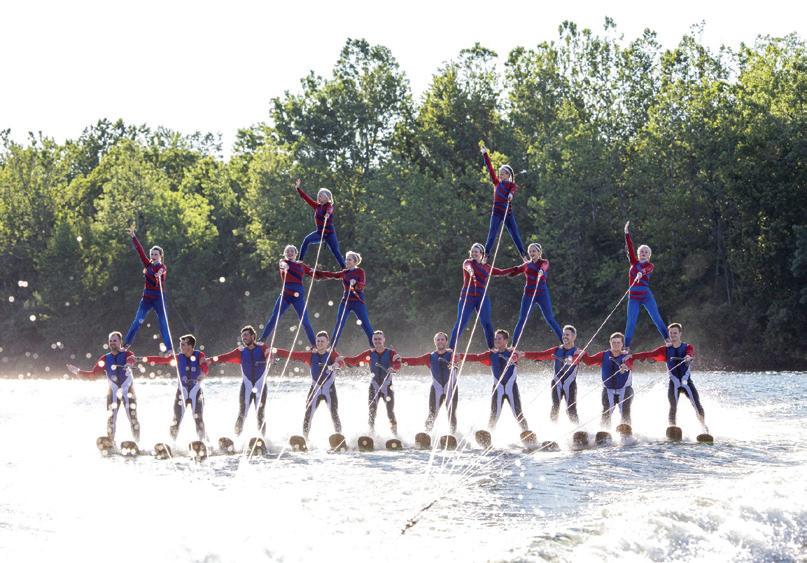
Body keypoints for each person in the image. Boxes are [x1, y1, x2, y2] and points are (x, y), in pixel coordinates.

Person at [67, 331, 140, 442]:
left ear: (120, 342)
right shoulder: (105, 358)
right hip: (113, 391)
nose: (112, 343)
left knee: (132, 418)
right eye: (110, 341)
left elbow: (132, 359)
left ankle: (137, 442)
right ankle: (110, 442)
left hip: (128, 390)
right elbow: (93, 375)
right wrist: (77, 371)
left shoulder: (128, 354)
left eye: (115, 340)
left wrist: (129, 364)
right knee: (111, 418)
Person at [632, 323, 707, 430]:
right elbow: (649, 354)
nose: (673, 335)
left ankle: (703, 427)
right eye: (671, 333)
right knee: (673, 407)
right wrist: (632, 356)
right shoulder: (664, 350)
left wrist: (688, 357)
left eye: (675, 333)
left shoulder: (687, 347)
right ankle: (672, 428)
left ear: (680, 334)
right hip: (674, 383)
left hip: (687, 383)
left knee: (697, 405)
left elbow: (690, 353)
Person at [274, 331, 345, 440]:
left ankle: (339, 438)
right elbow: (292, 354)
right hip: (315, 390)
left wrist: (335, 364)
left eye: (322, 341)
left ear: (327, 343)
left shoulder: (331, 354)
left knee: (334, 414)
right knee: (308, 415)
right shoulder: (310, 355)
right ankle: (305, 439)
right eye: (318, 341)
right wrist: (275, 351)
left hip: (329, 390)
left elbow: (341, 363)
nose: (319, 343)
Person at [206, 325, 272, 436]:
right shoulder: (240, 351)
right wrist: (210, 360)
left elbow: (270, 355)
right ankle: (236, 437)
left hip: (261, 386)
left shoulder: (262, 348)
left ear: (253, 336)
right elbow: (225, 357)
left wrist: (271, 357)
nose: (244, 338)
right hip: (246, 387)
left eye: (246, 335)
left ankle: (263, 439)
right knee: (242, 413)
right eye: (242, 336)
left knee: (260, 414)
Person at [581, 332, 656, 428]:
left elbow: (629, 364)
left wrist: (625, 366)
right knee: (606, 411)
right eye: (613, 342)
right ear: (610, 343)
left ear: (622, 344)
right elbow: (589, 361)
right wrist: (583, 354)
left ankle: (626, 429)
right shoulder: (603, 355)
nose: (616, 345)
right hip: (608, 390)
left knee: (625, 411)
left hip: (625, 389)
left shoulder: (627, 356)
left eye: (618, 342)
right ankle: (604, 430)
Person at [464, 329, 532, 433]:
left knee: (518, 413)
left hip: (511, 388)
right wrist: (460, 356)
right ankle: (488, 435)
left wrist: (521, 354)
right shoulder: (491, 354)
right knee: (494, 414)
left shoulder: (513, 353)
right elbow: (476, 357)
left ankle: (527, 433)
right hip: (497, 388)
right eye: (495, 338)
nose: (497, 340)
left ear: (506, 340)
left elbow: (528, 354)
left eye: (499, 338)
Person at [143, 334, 208, 441]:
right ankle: (172, 442)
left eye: (183, 344)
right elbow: (161, 360)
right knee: (176, 419)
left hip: (195, 392)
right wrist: (142, 359)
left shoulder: (199, 355)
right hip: (182, 392)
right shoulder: (178, 357)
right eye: (181, 344)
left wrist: (203, 373)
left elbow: (204, 366)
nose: (180, 347)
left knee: (198, 418)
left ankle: (203, 441)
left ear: (190, 346)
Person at [449, 243, 510, 350]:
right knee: (461, 322)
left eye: (476, 252)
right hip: (468, 296)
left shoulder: (486, 267)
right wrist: (470, 271)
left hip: (481, 297)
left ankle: (492, 348)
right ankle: (451, 348)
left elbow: (501, 272)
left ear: (481, 254)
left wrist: (516, 269)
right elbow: (467, 267)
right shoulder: (467, 262)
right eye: (472, 251)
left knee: (486, 322)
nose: (473, 253)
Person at [259, 244, 323, 346]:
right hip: (286, 295)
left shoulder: (301, 265)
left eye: (292, 251)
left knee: (305, 321)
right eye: (287, 251)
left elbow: (314, 274)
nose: (289, 253)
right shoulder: (283, 262)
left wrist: (322, 274)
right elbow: (283, 265)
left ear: (296, 254)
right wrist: (285, 267)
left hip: (298, 297)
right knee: (274, 317)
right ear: (285, 253)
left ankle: (314, 345)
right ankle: (262, 339)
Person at [343, 330, 402, 435]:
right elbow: (354, 361)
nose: (377, 341)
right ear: (372, 340)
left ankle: (395, 435)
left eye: (379, 339)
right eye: (375, 339)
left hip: (387, 387)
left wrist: (393, 368)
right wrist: (342, 358)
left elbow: (398, 365)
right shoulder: (369, 353)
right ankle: (371, 434)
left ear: (384, 340)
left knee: (390, 412)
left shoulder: (391, 353)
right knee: (372, 412)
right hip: (374, 387)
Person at [503, 242, 563, 343]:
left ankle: (564, 343)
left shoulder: (544, 262)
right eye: (530, 251)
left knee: (550, 318)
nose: (531, 253)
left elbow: (544, 266)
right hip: (529, 295)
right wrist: (503, 272)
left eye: (534, 251)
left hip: (542, 294)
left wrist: (541, 271)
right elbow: (513, 273)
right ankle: (513, 345)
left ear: (539, 252)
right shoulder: (526, 265)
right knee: (522, 319)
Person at [123, 226, 171, 354]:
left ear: (160, 256)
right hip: (146, 298)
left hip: (158, 298)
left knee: (163, 323)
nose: (153, 256)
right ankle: (126, 344)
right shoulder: (147, 264)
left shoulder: (162, 267)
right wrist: (133, 237)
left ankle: (169, 348)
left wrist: (159, 273)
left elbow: (163, 271)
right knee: (137, 321)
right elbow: (140, 251)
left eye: (156, 254)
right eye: (152, 254)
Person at [522, 325, 584, 423]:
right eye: (564, 334)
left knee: (571, 409)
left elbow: (589, 361)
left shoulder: (577, 352)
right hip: (556, 383)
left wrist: (577, 357)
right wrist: (524, 354)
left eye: (567, 335)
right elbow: (541, 355)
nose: (565, 336)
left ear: (573, 337)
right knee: (555, 407)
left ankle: (577, 428)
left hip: (570, 385)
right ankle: (553, 427)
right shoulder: (556, 350)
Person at [623, 221, 670, 351]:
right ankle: (626, 346)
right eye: (641, 252)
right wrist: (626, 233)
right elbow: (630, 247)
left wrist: (641, 273)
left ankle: (667, 339)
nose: (643, 253)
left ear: (649, 255)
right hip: (633, 296)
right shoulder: (634, 262)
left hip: (645, 295)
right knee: (631, 322)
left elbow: (647, 270)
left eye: (646, 252)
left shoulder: (650, 265)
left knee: (656, 317)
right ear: (638, 254)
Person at [401, 332, 459, 435]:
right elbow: (414, 361)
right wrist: (400, 359)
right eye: (438, 339)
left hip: (451, 388)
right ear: (434, 342)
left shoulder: (452, 355)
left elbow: (460, 359)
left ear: (446, 342)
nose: (440, 341)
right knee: (432, 414)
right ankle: (426, 434)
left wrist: (454, 363)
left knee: (451, 413)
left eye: (442, 339)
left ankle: (453, 435)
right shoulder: (430, 356)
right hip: (436, 389)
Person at [319, 251, 375, 347]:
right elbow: (332, 274)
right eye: (346, 259)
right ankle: (332, 347)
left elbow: (362, 285)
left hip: (358, 301)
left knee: (365, 324)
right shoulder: (345, 272)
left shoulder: (360, 271)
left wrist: (356, 283)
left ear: (355, 261)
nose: (347, 261)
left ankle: (374, 346)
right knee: (339, 324)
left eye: (349, 260)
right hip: (346, 302)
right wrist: (316, 272)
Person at [480, 144, 527, 259]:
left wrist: (510, 195)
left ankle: (523, 255)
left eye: (502, 173)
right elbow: (490, 168)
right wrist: (485, 154)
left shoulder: (511, 185)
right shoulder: (496, 183)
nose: (500, 175)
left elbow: (513, 190)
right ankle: (486, 255)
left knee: (515, 234)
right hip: (496, 213)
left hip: (507, 213)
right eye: (499, 173)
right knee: (492, 233)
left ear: (508, 175)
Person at [295, 179, 346, 268]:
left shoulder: (329, 206)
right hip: (320, 233)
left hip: (330, 234)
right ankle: (300, 260)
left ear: (327, 197)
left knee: (336, 251)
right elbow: (306, 198)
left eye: (321, 196)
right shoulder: (317, 206)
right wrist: (298, 189)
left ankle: (344, 268)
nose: (319, 197)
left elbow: (330, 209)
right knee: (306, 240)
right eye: (318, 196)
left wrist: (327, 214)